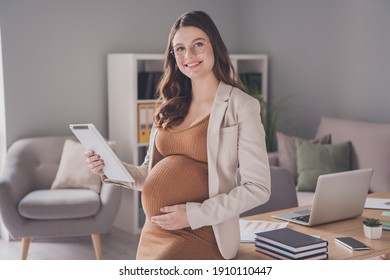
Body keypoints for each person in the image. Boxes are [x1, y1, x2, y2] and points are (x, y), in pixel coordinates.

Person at [85, 10, 271, 260]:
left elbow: (258, 188)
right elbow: (150, 175)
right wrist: (111, 169)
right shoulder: (169, 105)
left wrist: (193, 215)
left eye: (198, 45)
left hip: (205, 231)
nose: (189, 56)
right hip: (156, 230)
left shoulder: (242, 106)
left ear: (214, 45)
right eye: (180, 49)